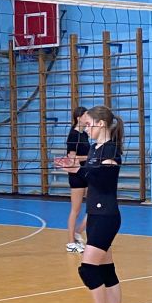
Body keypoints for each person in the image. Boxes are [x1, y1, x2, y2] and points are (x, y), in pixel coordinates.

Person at [69, 105, 127, 303]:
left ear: (101, 124)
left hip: (107, 217)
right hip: (95, 215)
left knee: (88, 269)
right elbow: (91, 183)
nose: (86, 129)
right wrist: (84, 221)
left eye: (89, 124)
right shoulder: (95, 149)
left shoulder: (111, 150)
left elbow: (104, 182)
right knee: (106, 271)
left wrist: (79, 170)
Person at [56, 106, 89, 253]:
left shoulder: (85, 134)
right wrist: (89, 157)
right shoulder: (73, 135)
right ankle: (70, 243)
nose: (88, 118)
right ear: (79, 117)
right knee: (76, 209)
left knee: (93, 206)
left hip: (87, 173)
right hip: (76, 175)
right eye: (86, 115)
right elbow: (71, 159)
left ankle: (78, 232)